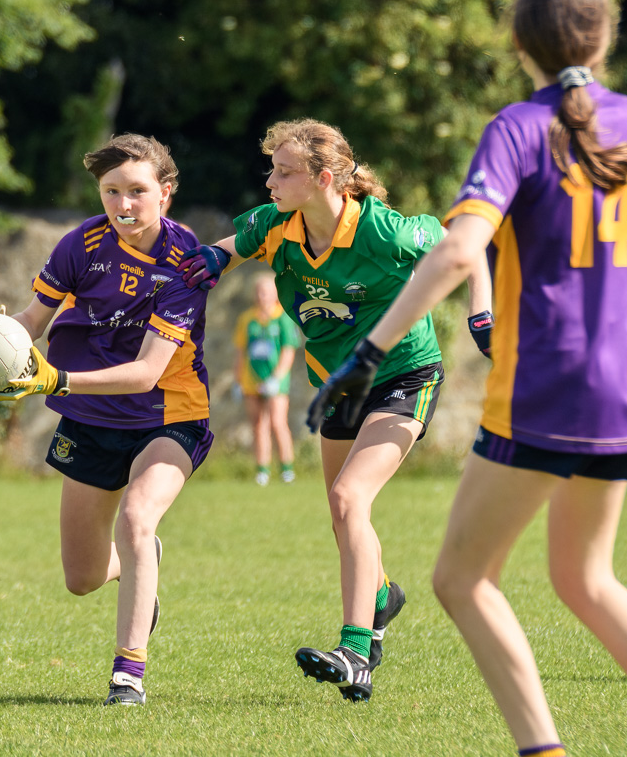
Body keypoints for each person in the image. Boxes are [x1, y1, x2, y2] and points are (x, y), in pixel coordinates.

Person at [308, 0, 627, 757]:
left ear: (517, 43)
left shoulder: (517, 126)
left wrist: (367, 353)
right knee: (585, 579)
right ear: (605, 37)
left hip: (549, 378)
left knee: (460, 580)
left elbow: (454, 249)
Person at [178, 118, 491, 702]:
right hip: (337, 389)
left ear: (325, 179)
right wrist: (210, 264)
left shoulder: (387, 232)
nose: (269, 180)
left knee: (350, 500)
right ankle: (382, 596)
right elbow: (229, 247)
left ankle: (356, 650)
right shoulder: (276, 223)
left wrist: (481, 314)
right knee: (342, 517)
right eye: (271, 168)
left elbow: (467, 244)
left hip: (405, 375)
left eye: (283, 171)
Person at [0, 133, 212, 707]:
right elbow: (33, 316)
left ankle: (127, 676)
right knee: (81, 578)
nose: (124, 205)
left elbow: (148, 371)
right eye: (112, 192)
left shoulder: (186, 261)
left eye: (137, 191)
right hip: (91, 417)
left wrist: (55, 379)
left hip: (169, 414)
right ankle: (142, 564)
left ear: (166, 194)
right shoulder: (81, 244)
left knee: (136, 518)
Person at [233, 274, 300, 486]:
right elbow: (240, 351)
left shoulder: (283, 318)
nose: (264, 296)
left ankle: (287, 469)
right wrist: (237, 380)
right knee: (258, 425)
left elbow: (288, 351)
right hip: (251, 380)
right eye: (260, 292)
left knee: (278, 423)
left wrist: (276, 378)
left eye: (268, 292)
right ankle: (262, 470)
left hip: (276, 381)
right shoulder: (246, 319)